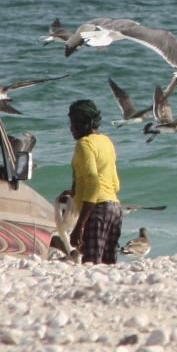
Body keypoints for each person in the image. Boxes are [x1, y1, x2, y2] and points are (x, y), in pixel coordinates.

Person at [62, 99, 121, 264]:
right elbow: (115, 183)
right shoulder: (106, 142)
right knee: (108, 267)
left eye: (73, 123)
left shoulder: (84, 144)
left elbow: (94, 183)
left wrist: (79, 226)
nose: (71, 128)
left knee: (92, 265)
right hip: (115, 209)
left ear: (84, 124)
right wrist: (74, 193)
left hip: (97, 211)